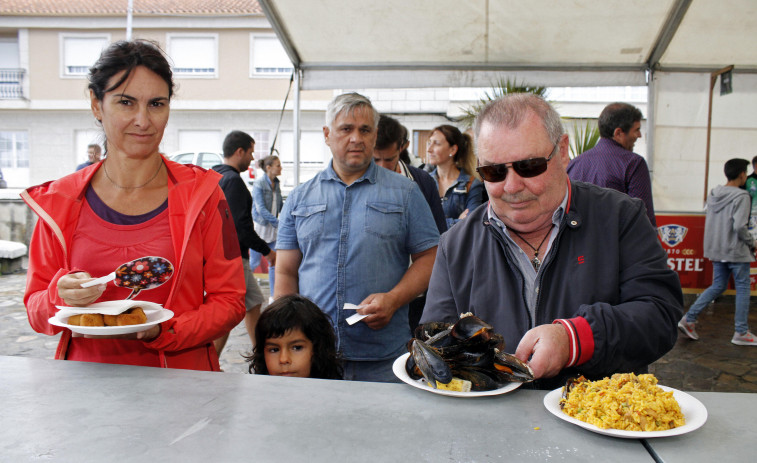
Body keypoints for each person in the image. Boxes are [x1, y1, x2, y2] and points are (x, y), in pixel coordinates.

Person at [421, 93, 683, 390]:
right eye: (494, 172)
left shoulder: (622, 217)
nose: (512, 186)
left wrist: (575, 338)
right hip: (493, 424)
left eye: (529, 166)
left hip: (597, 423)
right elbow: (437, 343)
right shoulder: (456, 243)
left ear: (562, 151)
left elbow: (660, 317)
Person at [21, 40, 245, 370]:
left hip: (182, 390)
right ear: (97, 105)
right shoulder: (59, 202)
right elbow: (36, 311)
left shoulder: (206, 195)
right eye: (126, 102)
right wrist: (59, 296)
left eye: (156, 104)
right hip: (85, 392)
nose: (143, 120)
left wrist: (165, 331)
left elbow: (230, 300)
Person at [275, 92, 440, 383]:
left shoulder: (406, 192)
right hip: (316, 356)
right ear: (327, 135)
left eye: (365, 130)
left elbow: (430, 257)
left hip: (384, 357)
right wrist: (288, 338)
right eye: (346, 129)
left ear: (375, 136)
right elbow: (286, 272)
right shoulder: (300, 198)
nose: (356, 138)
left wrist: (393, 299)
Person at [375, 115, 446, 331]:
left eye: (389, 160)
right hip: (373, 298)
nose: (382, 168)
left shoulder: (422, 182)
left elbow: (439, 240)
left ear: (403, 147)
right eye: (374, 160)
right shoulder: (358, 183)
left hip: (417, 295)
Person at [678, 159, 757, 346]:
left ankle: (688, 319)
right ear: (742, 175)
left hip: (716, 248)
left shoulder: (714, 193)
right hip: (736, 250)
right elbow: (739, 226)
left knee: (718, 285)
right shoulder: (742, 196)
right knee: (743, 288)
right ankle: (741, 332)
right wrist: (752, 243)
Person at [212, 131, 275, 353]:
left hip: (217, 257)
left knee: (252, 302)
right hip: (233, 258)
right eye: (250, 152)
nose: (252, 159)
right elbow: (241, 228)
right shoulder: (234, 182)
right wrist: (267, 251)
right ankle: (213, 360)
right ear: (239, 151)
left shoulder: (213, 175)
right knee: (233, 310)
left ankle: (261, 353)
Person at [566, 102, 656, 226]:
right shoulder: (634, 164)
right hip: (616, 243)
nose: (639, 135)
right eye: (636, 130)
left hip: (576, 244)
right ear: (618, 133)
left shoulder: (575, 164)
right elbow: (644, 221)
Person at [247, 294, 342, 379]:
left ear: (318, 349)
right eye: (274, 350)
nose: (284, 359)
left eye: (297, 348)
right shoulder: (256, 396)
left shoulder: (335, 395)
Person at [426, 124, 484, 229]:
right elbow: (417, 223)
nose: (429, 149)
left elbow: (471, 224)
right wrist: (458, 222)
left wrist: (433, 223)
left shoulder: (471, 184)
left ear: (452, 150)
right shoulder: (424, 181)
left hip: (456, 245)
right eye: (429, 143)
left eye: (436, 144)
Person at [251, 155, 284, 298]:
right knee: (253, 262)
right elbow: (261, 209)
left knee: (274, 263)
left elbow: (279, 204)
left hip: (273, 228)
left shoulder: (276, 183)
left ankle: (273, 296)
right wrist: (278, 222)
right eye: (278, 165)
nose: (280, 167)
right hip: (261, 227)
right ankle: (240, 291)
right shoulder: (259, 184)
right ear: (269, 168)